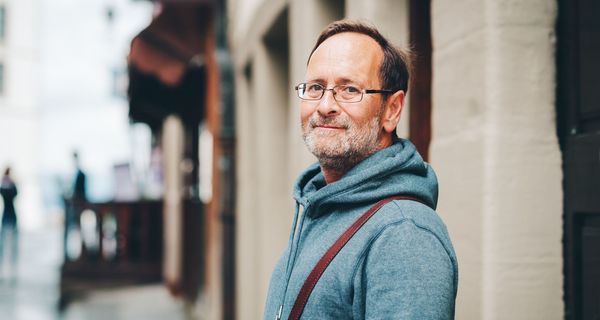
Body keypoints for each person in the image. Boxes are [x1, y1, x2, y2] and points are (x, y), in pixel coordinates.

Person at [264, 20, 458, 319]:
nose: (325, 105)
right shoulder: (317, 207)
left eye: (349, 89)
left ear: (391, 110)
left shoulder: (404, 235)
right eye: (316, 87)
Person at [0, 167, 19, 273]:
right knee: (7, 239)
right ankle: (8, 259)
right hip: (9, 213)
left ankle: (9, 259)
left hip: (8, 213)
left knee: (8, 239)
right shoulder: (7, 184)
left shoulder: (5, 184)